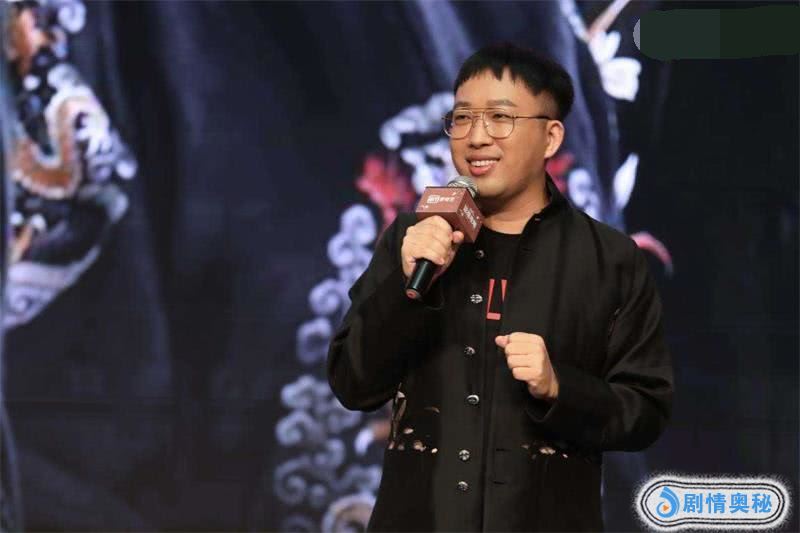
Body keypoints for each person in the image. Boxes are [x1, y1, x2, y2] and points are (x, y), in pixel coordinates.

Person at [327, 42, 673, 532]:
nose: (476, 137)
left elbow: (646, 410)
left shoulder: (609, 258)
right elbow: (351, 381)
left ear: (550, 137)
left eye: (500, 118)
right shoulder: (414, 238)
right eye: (462, 118)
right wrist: (406, 287)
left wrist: (559, 387)